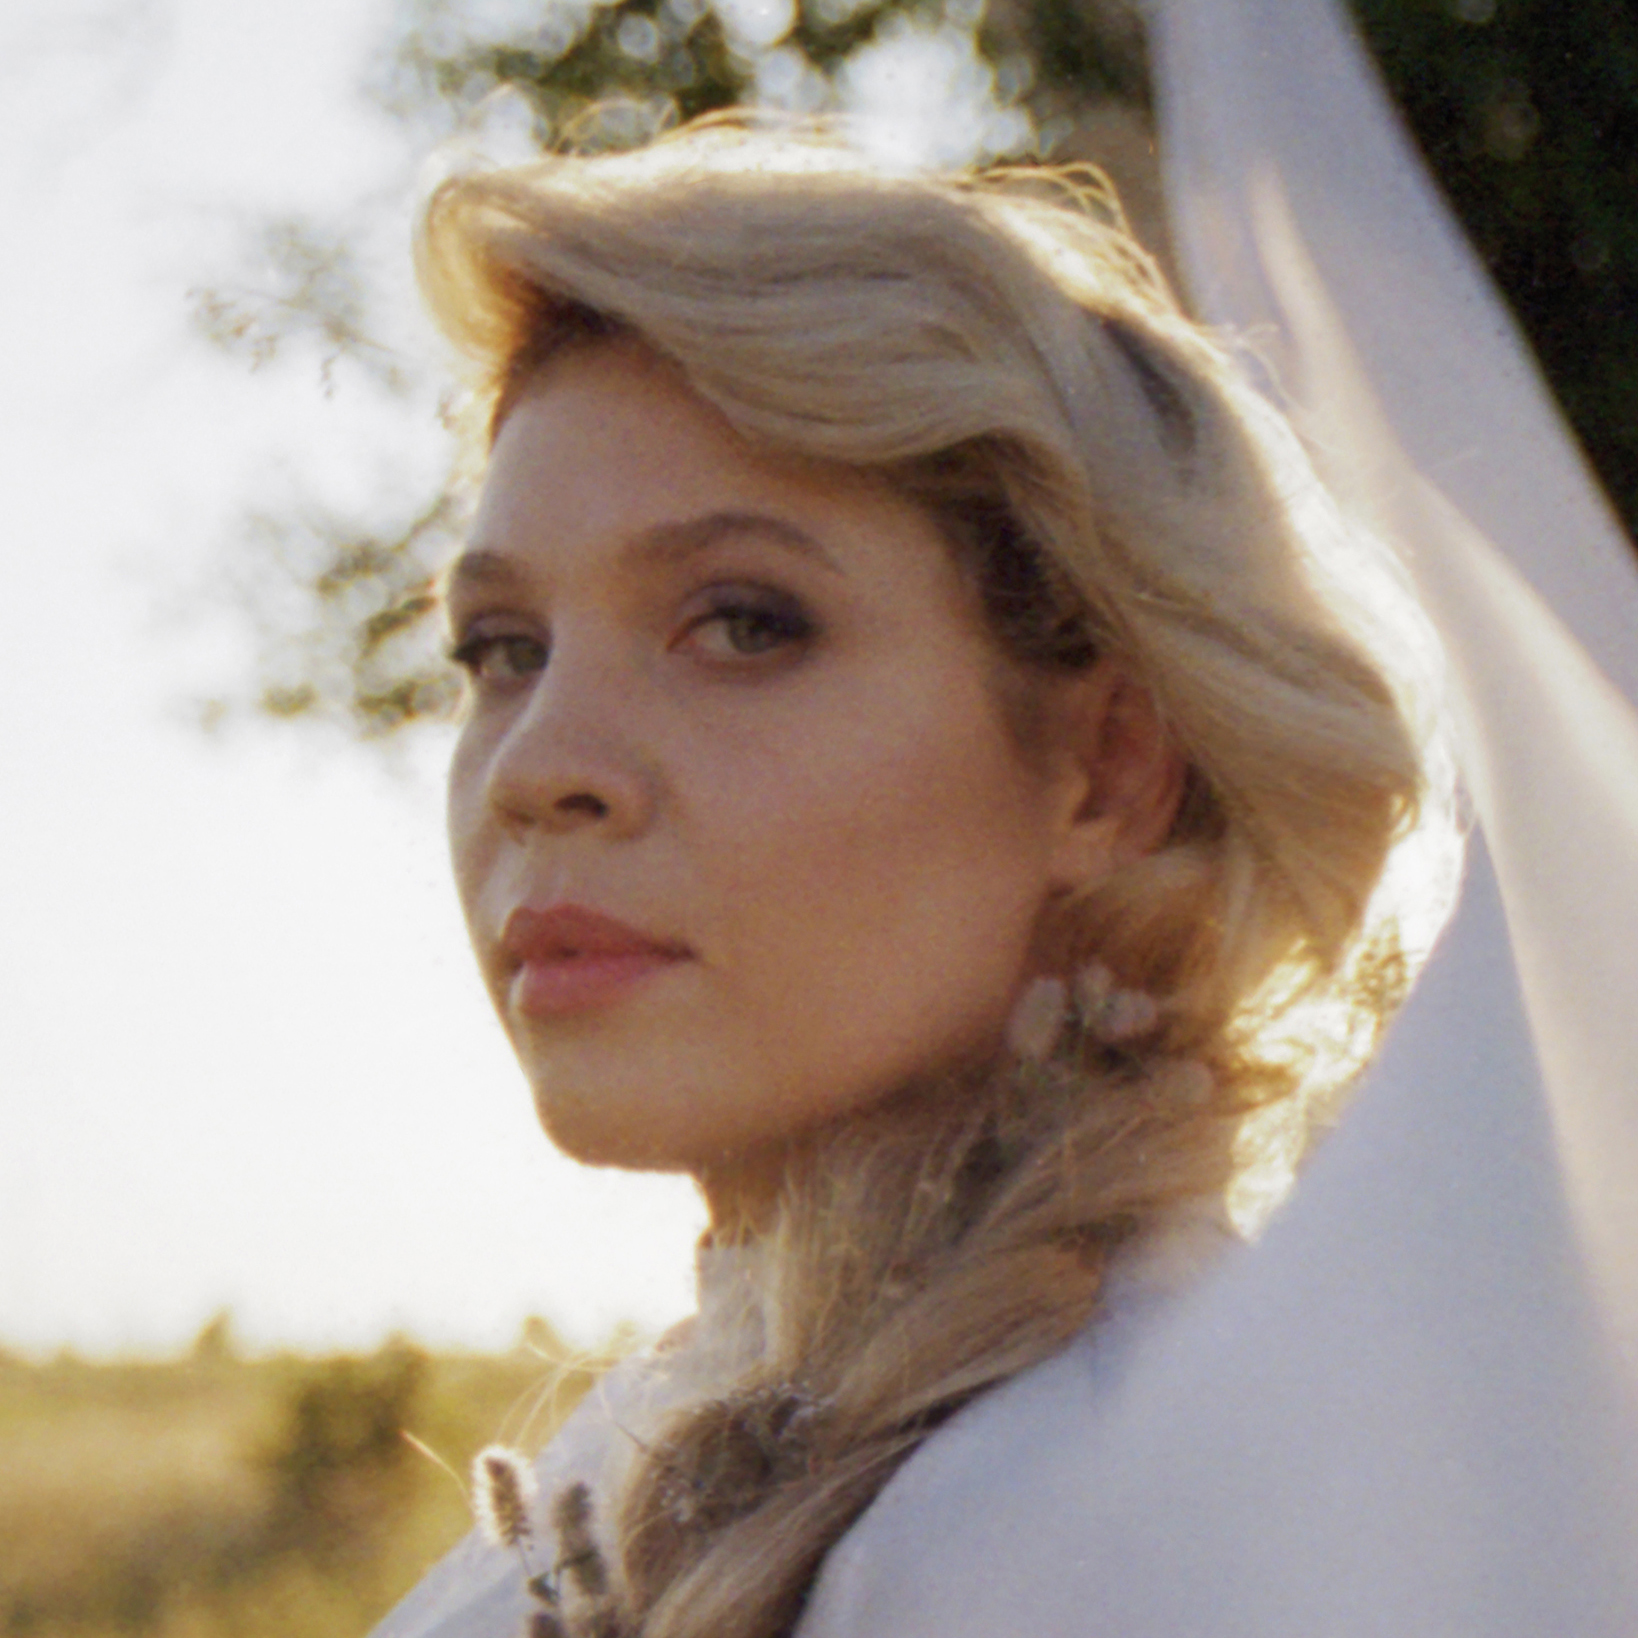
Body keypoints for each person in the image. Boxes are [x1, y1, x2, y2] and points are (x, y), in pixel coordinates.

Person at [371, 105, 1470, 1638]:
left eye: (741, 623)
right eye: (502, 647)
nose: (539, 762)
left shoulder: (1104, 1526)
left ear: (1105, 769)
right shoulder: (658, 1464)